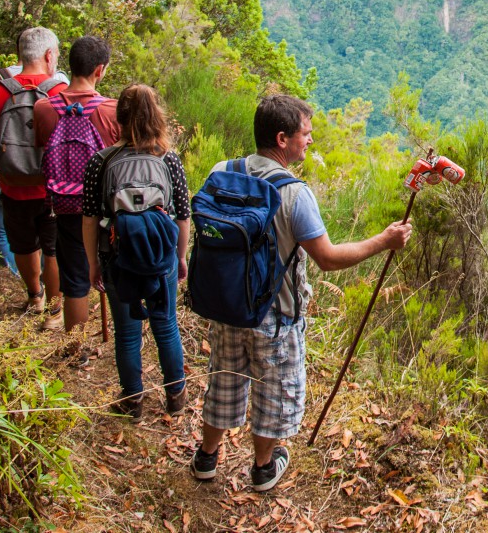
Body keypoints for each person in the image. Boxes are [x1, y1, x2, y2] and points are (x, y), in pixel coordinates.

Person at [189, 95, 412, 492]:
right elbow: (327, 258)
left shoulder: (222, 171)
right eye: (305, 134)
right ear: (282, 139)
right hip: (275, 317)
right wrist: (384, 240)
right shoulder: (294, 193)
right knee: (273, 394)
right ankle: (262, 467)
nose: (310, 140)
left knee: (223, 381)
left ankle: (206, 457)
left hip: (225, 303)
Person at [82, 84, 190, 418]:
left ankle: (133, 400)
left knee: (127, 333)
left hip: (117, 256)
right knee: (166, 325)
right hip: (161, 256)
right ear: (157, 116)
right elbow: (182, 214)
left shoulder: (101, 161)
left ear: (119, 118)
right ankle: (176, 396)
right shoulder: (168, 159)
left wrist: (93, 263)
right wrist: (180, 256)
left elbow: (90, 218)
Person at [0, 27, 66, 327]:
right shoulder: (60, 93)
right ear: (49, 56)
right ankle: (55, 311)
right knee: (53, 249)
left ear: (19, 54)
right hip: (52, 189)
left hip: (13, 185)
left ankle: (35, 296)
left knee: (23, 245)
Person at [34, 36, 120, 350]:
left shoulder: (44, 108)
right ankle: (124, 344)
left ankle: (75, 351)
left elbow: (42, 151)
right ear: (100, 70)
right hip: (107, 209)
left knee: (74, 280)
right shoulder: (112, 110)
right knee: (115, 274)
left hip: (65, 205)